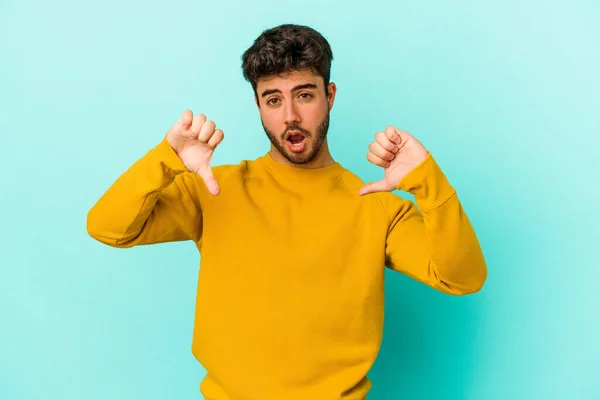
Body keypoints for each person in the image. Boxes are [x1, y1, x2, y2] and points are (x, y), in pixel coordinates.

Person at [87, 23, 487, 400]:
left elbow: (463, 278)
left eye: (305, 94)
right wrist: (167, 158)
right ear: (258, 105)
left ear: (329, 96)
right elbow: (107, 228)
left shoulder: (377, 205)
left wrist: (426, 179)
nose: (290, 115)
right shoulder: (213, 188)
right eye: (273, 99)